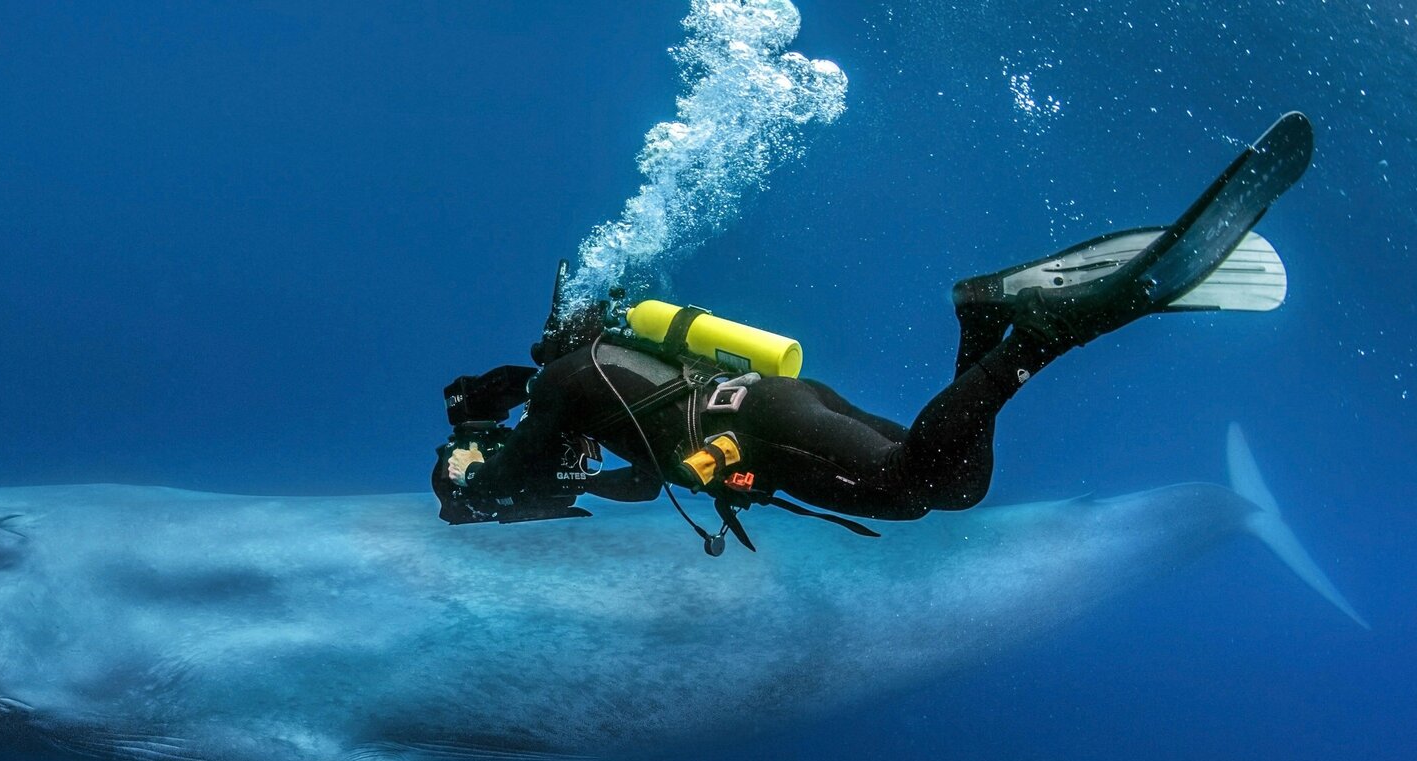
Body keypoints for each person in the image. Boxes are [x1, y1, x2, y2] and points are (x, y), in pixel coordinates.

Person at [438, 113, 1313, 548]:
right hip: (774, 405)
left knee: (908, 489)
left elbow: (514, 476)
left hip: (763, 430)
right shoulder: (603, 365)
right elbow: (629, 476)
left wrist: (471, 476)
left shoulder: (560, 386)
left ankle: (1040, 338)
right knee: (955, 487)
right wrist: (576, 479)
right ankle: (983, 319)